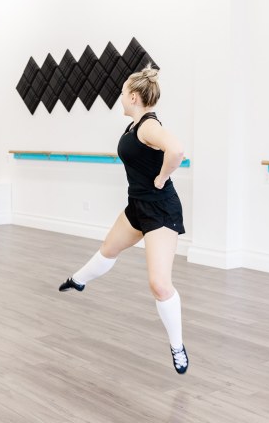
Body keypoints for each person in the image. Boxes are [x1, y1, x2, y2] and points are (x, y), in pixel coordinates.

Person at [58, 65, 189, 374]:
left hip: (160, 210)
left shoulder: (147, 127)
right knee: (109, 248)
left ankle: (177, 346)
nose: (119, 98)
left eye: (121, 94)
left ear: (133, 96)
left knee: (159, 284)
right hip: (137, 207)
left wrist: (162, 177)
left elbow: (177, 149)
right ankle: (78, 281)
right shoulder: (135, 126)